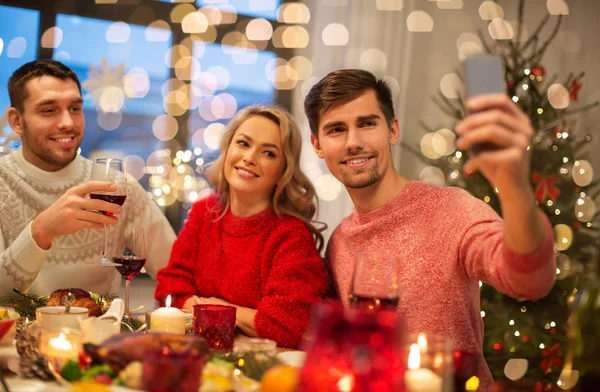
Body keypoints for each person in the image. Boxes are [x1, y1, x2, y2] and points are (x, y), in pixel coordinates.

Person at [304, 69, 555, 388]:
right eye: (336, 129)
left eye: (367, 123)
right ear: (317, 144)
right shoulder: (339, 241)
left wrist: (515, 187)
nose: (353, 142)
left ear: (392, 129)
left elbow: (531, 280)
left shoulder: (452, 210)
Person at [154, 105, 328, 349]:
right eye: (244, 144)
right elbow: (170, 289)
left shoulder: (291, 236)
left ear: (283, 172)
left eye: (268, 153)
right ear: (227, 149)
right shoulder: (204, 213)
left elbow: (291, 325)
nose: (249, 158)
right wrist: (245, 315)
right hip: (200, 356)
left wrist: (216, 307)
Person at [0, 59, 176, 296]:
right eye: (49, 110)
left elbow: (176, 272)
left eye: (75, 108)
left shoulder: (117, 187)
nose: (67, 123)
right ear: (16, 121)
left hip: (101, 332)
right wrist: (41, 232)